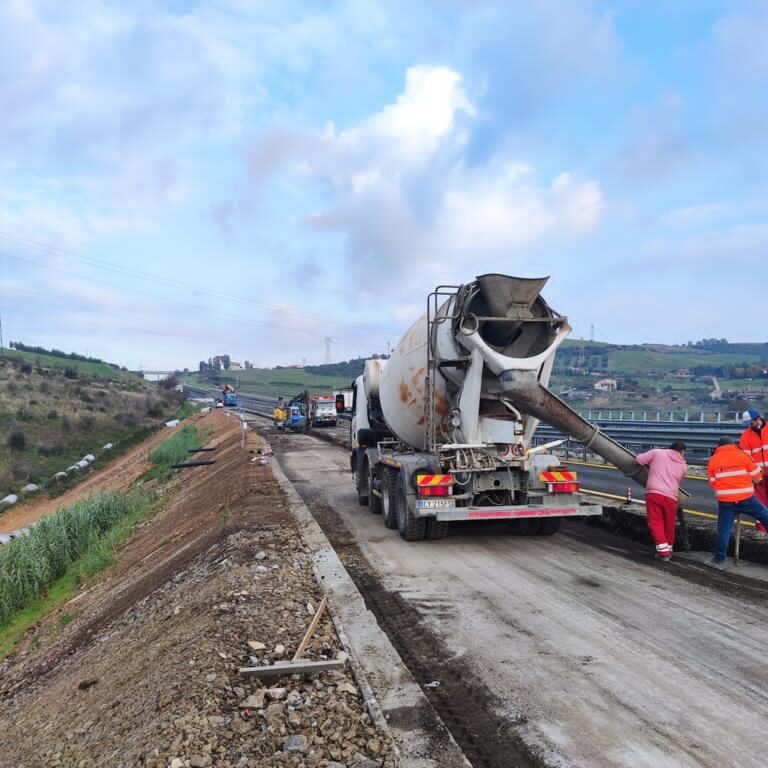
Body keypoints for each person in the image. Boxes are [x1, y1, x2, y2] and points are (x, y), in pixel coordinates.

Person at [706, 437, 768, 569]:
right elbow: (757, 477)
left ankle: (718, 560)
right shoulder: (743, 455)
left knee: (724, 530)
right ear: (733, 444)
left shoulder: (713, 460)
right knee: (765, 516)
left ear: (718, 447)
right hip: (747, 498)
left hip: (726, 501)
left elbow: (712, 482)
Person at [635, 441, 688, 561]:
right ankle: (668, 550)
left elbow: (638, 460)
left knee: (656, 523)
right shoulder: (683, 466)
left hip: (654, 493)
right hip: (671, 497)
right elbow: (679, 481)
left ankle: (663, 553)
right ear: (682, 452)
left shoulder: (657, 453)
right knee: (669, 525)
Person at [739, 410, 768, 535]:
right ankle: (762, 529)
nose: (749, 426)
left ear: (758, 419)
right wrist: (752, 474)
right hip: (758, 475)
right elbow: (746, 458)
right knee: (761, 502)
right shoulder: (746, 435)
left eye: (751, 423)